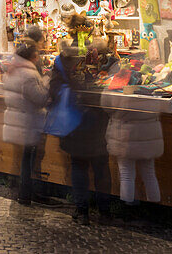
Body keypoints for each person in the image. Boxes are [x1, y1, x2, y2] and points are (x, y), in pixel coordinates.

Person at [51, 43, 111, 225]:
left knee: (79, 168)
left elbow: (53, 96)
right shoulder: (97, 67)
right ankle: (105, 211)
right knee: (101, 169)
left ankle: (83, 211)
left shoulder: (61, 74)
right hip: (96, 125)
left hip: (75, 127)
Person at [2, 38, 49, 205]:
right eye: (36, 54)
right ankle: (26, 194)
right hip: (27, 122)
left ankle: (22, 192)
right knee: (28, 159)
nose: (38, 56)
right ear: (31, 57)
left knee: (23, 158)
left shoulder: (12, 70)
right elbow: (40, 99)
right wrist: (47, 83)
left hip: (17, 121)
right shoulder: (29, 74)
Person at [106, 106, 164, 206]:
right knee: (149, 173)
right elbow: (161, 106)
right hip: (148, 135)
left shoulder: (118, 91)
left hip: (125, 135)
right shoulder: (151, 91)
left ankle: (128, 208)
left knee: (126, 174)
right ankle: (154, 209)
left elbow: (105, 104)